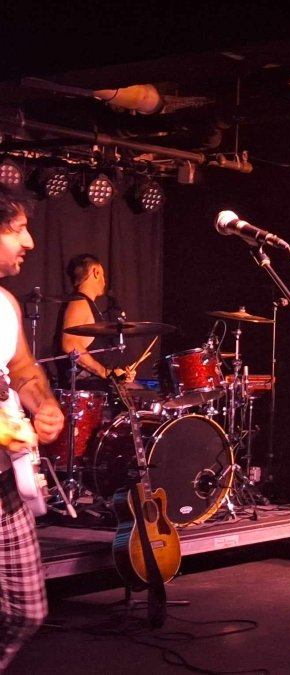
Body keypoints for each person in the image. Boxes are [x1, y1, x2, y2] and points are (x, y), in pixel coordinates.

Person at [0, 185, 65, 669]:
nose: (30, 242)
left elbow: (22, 369)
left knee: (27, 609)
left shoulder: (5, 303)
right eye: (18, 229)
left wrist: (44, 405)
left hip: (5, 479)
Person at [56, 253, 135, 390]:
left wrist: (118, 374)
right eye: (103, 274)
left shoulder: (85, 303)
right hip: (87, 390)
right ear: (96, 272)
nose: (104, 281)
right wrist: (105, 372)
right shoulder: (79, 303)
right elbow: (70, 345)